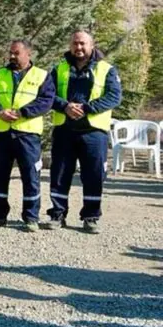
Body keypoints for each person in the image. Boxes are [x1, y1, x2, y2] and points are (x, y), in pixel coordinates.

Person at [46, 31, 121, 234]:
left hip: (94, 132)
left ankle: (91, 217)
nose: (78, 48)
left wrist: (86, 108)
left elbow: (114, 96)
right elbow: (47, 95)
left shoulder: (107, 69)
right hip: (65, 129)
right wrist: (65, 106)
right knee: (60, 174)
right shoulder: (59, 68)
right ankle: (57, 214)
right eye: (75, 44)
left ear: (92, 45)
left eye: (83, 44)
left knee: (94, 175)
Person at [0, 39, 54, 232]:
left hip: (28, 134)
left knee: (31, 176)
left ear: (28, 54)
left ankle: (31, 217)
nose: (12, 56)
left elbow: (46, 101)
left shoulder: (42, 75)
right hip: (3, 133)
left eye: (16, 53)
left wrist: (23, 112)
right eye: (11, 53)